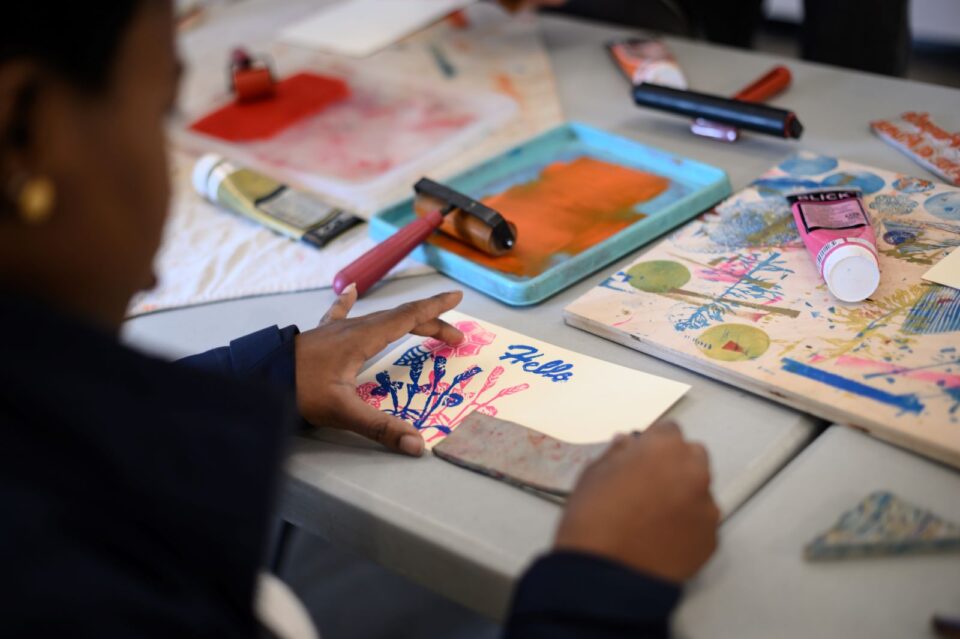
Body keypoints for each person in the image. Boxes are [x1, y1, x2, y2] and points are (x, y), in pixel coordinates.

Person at [0, 1, 720, 637]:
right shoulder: (60, 584)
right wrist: (598, 589)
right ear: (27, 130)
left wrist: (270, 371)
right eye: (159, 110)